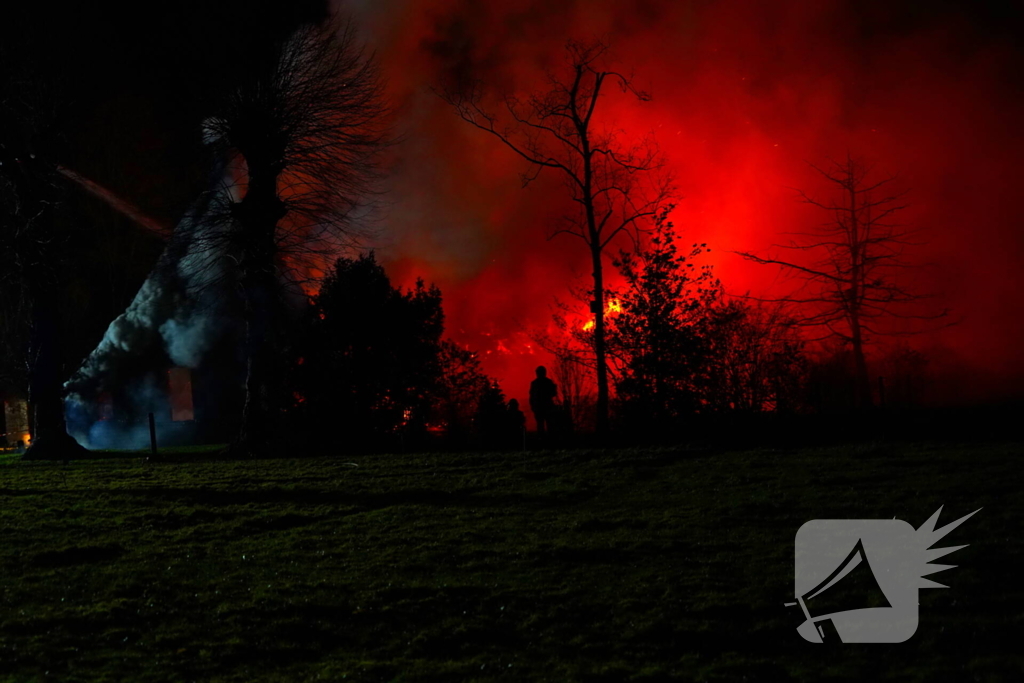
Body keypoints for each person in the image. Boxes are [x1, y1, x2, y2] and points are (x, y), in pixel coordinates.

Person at [529, 365, 557, 436]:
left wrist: (533, 406)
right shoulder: (548, 382)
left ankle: (541, 440)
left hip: (539, 407)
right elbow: (553, 394)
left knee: (540, 425)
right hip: (547, 406)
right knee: (549, 425)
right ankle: (550, 441)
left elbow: (532, 396)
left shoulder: (534, 383)